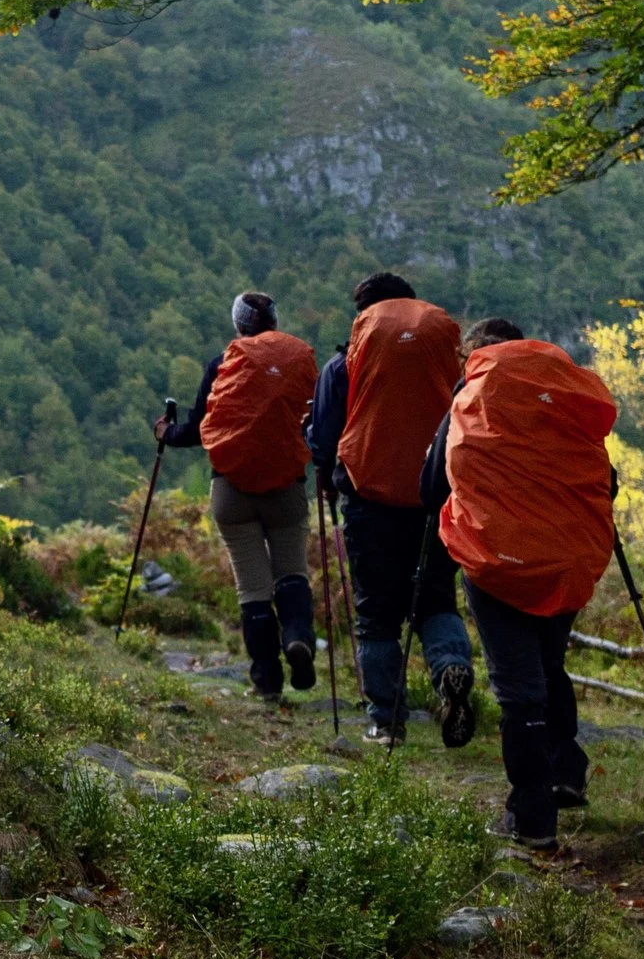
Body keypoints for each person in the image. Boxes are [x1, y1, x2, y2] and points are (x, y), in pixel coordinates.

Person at [421, 317, 621, 850]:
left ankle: (531, 819)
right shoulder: (559, 393)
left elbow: (429, 486)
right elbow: (609, 482)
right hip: (567, 557)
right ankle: (565, 772)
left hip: (497, 560)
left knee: (518, 691)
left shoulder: (470, 396)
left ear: (475, 356)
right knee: (548, 665)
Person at [307, 272, 475, 747]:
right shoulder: (443, 358)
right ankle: (450, 670)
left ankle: (386, 719)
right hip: (435, 498)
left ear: (363, 317)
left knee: (376, 614)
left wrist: (322, 464)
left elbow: (325, 437)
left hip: (370, 501)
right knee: (436, 599)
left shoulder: (342, 367)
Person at [155, 291, 320, 700]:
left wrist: (165, 433)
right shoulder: (300, 361)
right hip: (287, 487)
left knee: (253, 588)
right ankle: (297, 636)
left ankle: (267, 683)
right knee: (292, 572)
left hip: (231, 491)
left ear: (238, 325)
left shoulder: (222, 365)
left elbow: (196, 430)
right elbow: (316, 420)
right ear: (275, 324)